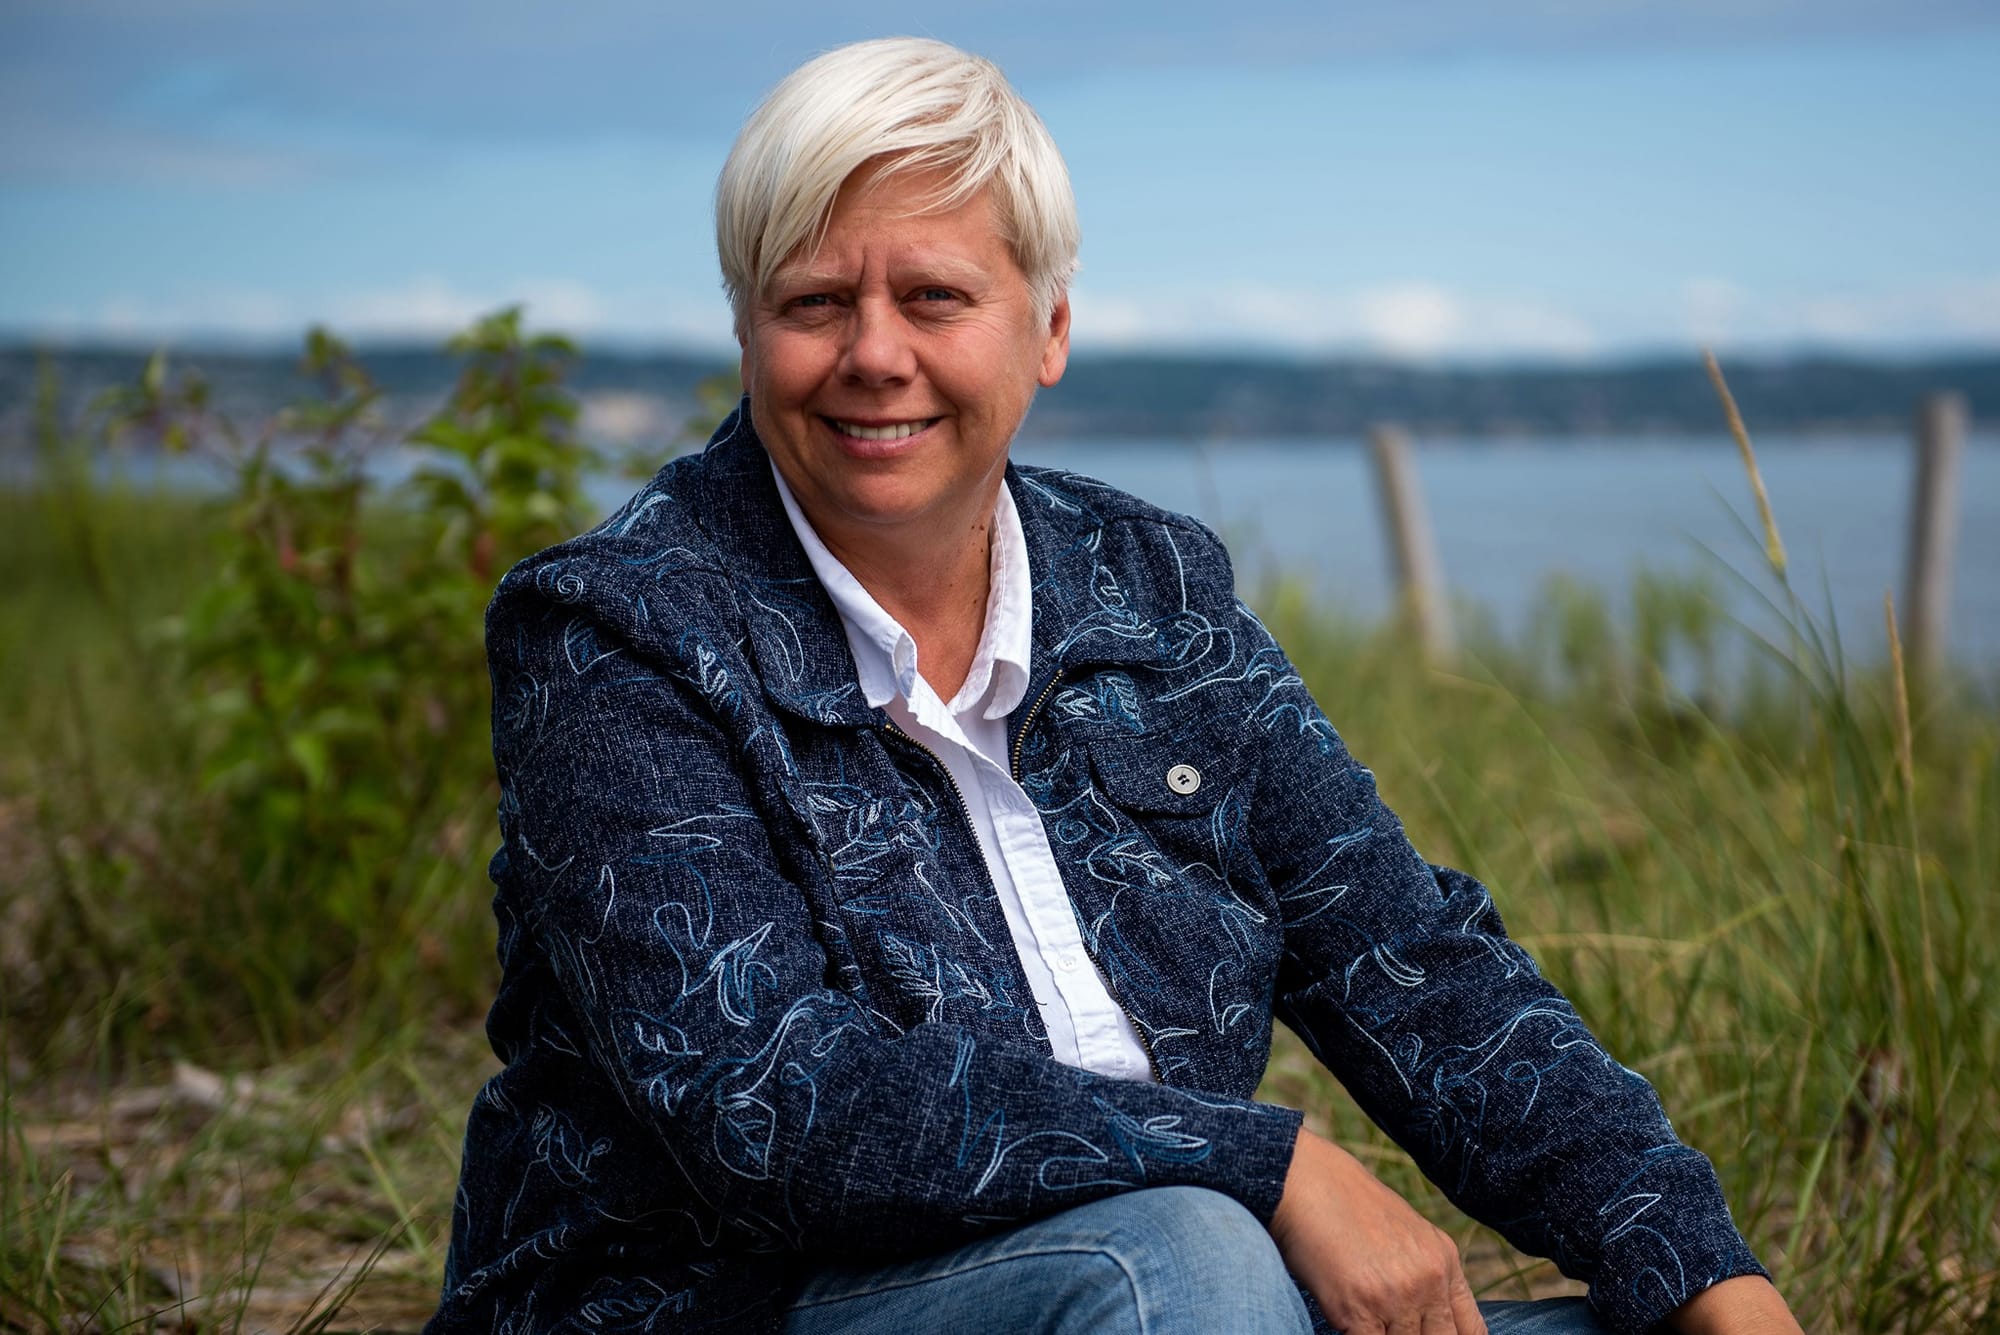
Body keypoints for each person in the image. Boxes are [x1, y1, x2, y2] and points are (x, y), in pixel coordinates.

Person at [429, 37, 1804, 1335]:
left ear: (1050, 327)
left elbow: (1411, 965)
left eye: (936, 297)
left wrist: (1697, 1263)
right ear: (748, 332)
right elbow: (770, 1104)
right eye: (813, 303)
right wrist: (1264, 1166)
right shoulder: (614, 635)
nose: (874, 355)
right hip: (743, 1302)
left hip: (1188, 1298)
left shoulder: (1151, 587)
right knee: (1179, 1260)